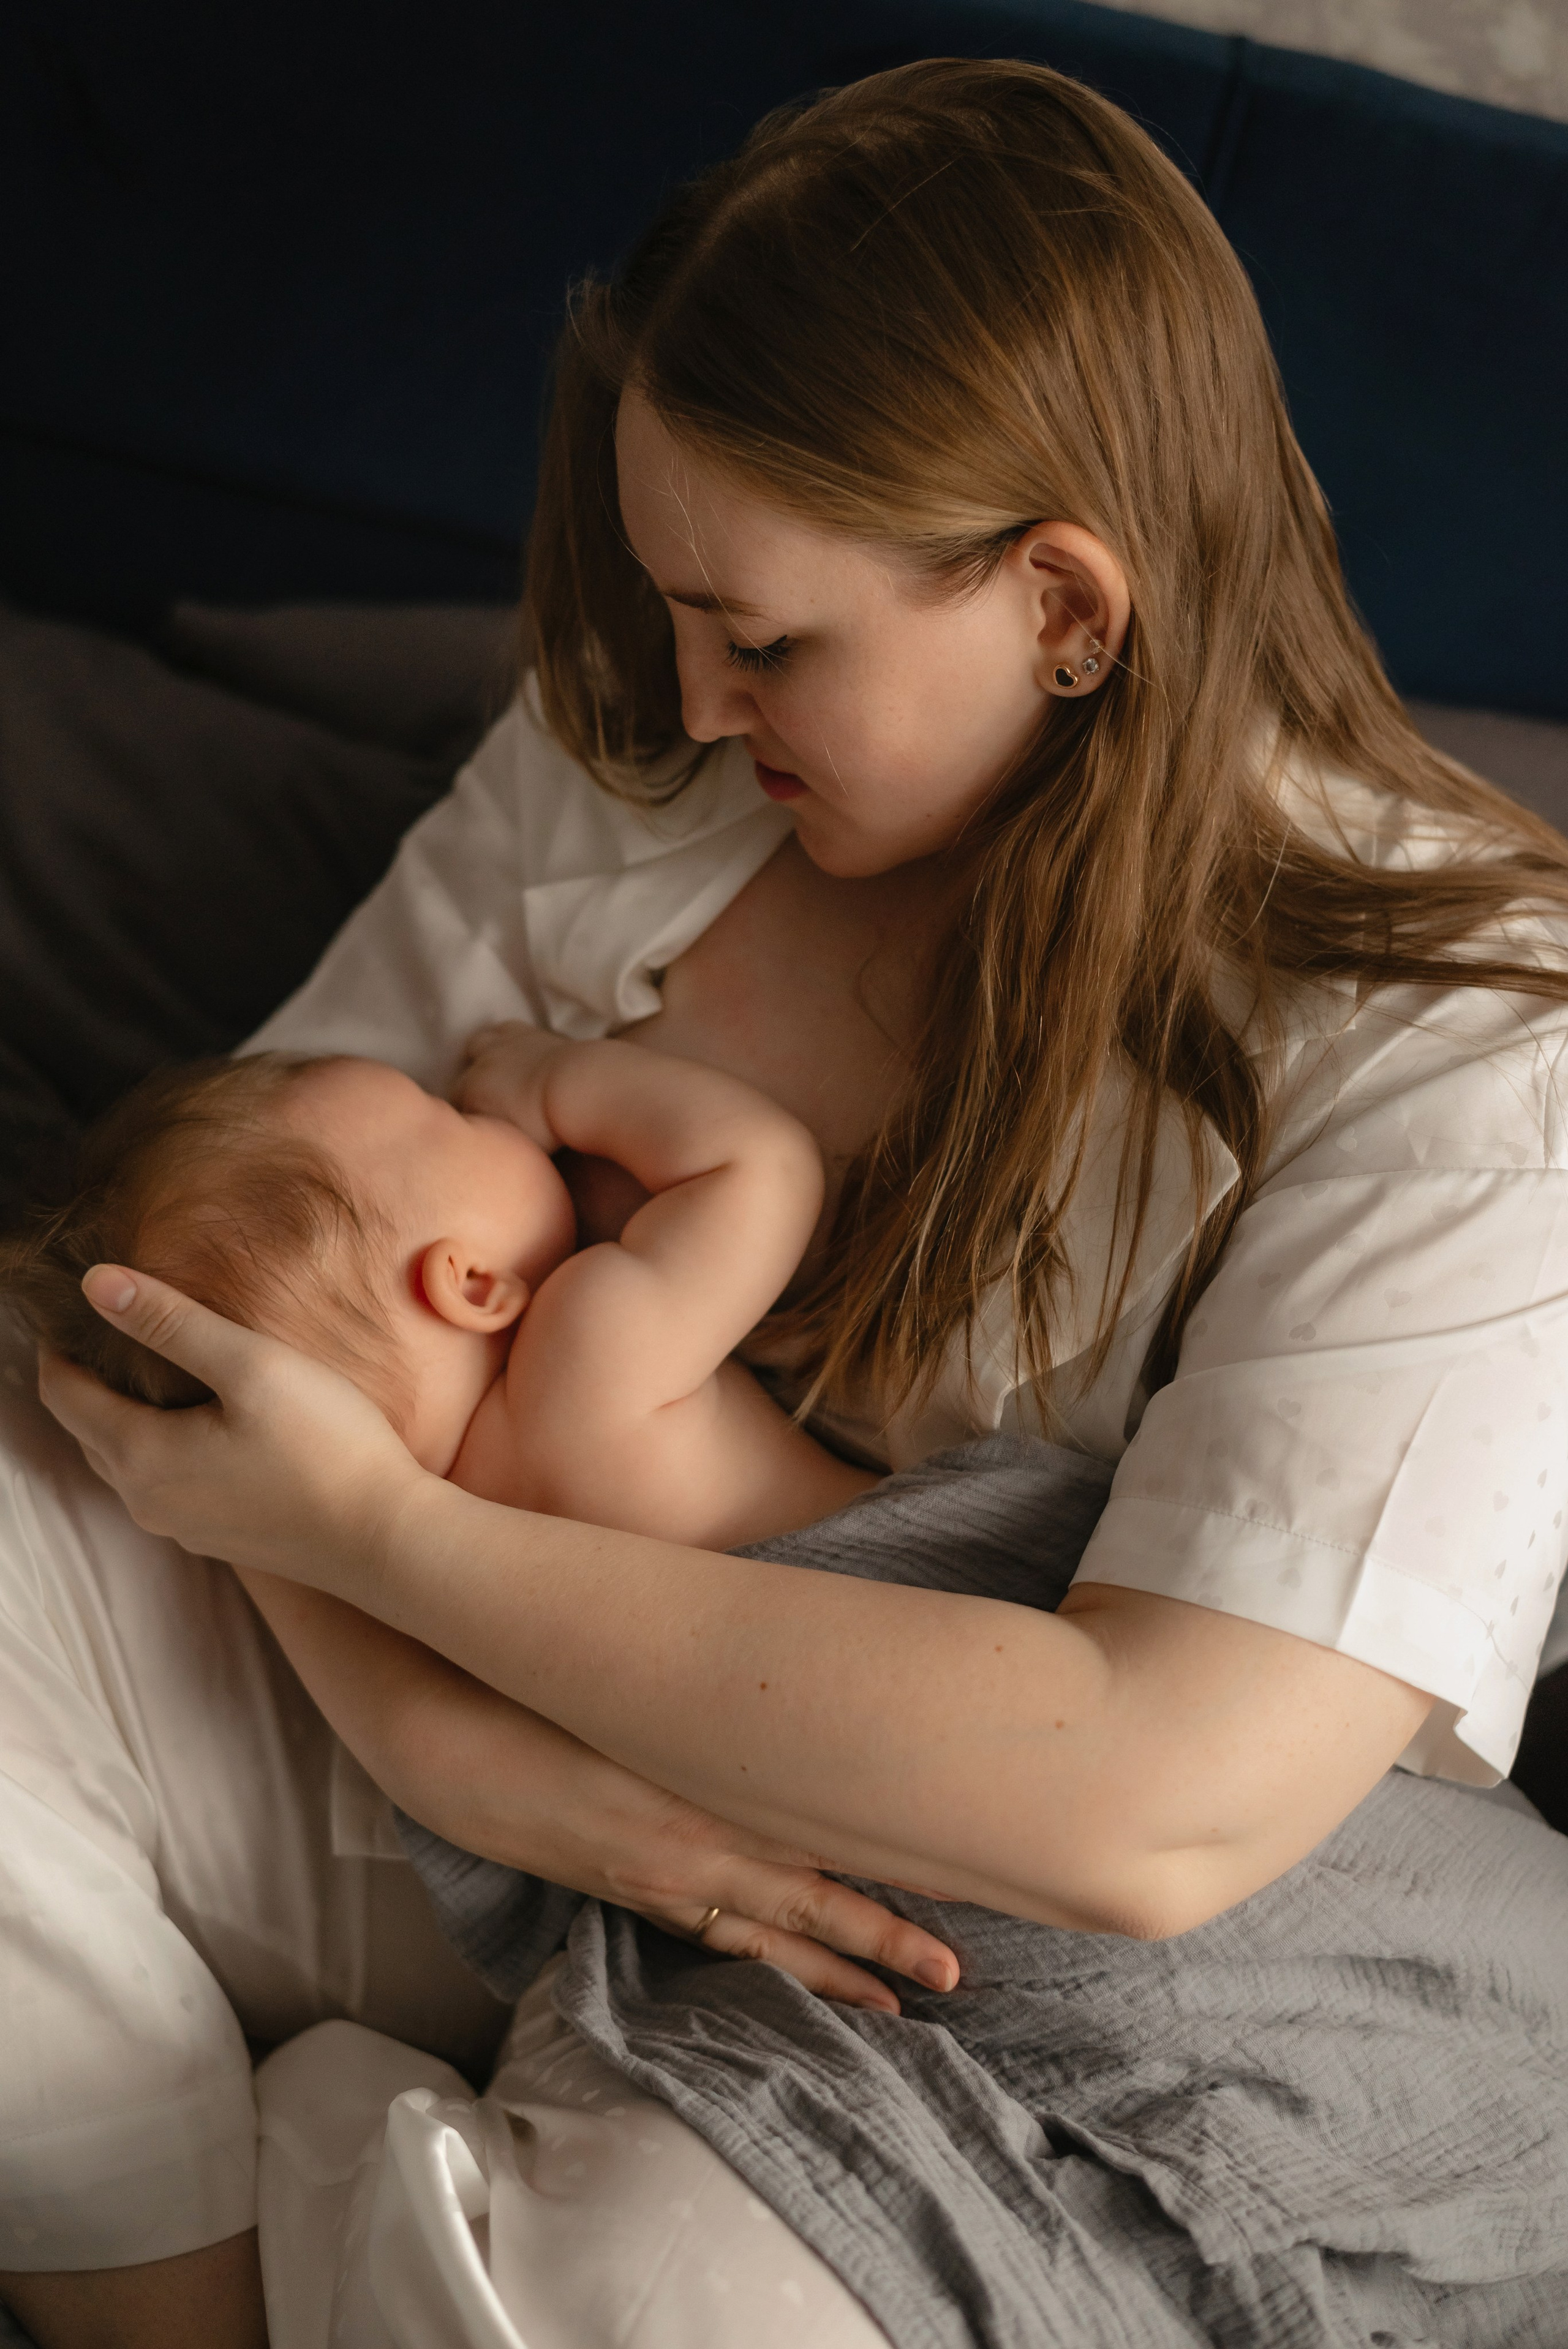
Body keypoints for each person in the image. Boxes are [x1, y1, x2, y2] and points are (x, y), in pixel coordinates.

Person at [7, 55, 1568, 2349]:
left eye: (767, 636)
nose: (680, 691)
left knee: (657, 2295)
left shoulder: (1477, 1045)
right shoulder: (650, 762)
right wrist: (454, 1731)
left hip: (979, 1939)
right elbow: (240, 1316)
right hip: (471, 1758)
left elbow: (1150, 1808)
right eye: (665, 605)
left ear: (1064, 602)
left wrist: (398, 1549)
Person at [0, 1031, 878, 1545]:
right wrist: (556, 1079)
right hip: (900, 1588)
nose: (475, 1103)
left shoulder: (424, 1537)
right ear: (472, 1283)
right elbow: (762, 1168)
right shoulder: (579, 1361)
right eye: (452, 1117)